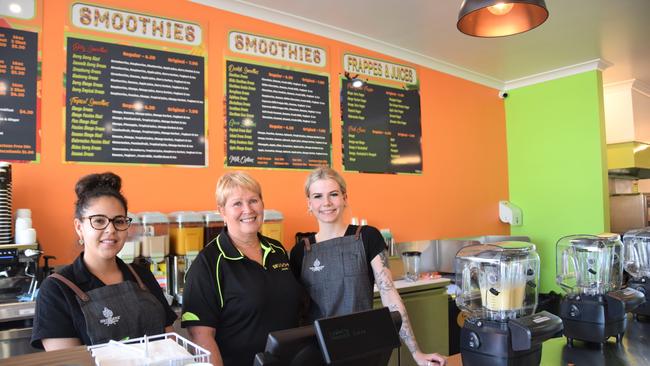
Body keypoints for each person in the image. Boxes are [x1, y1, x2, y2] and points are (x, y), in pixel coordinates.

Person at [290, 167, 447, 366]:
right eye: (318, 196)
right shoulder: (299, 252)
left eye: (334, 194)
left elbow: (390, 295)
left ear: (345, 197)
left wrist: (417, 353)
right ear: (309, 203)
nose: (326, 203)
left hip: (362, 346)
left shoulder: (367, 237)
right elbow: (297, 310)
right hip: (318, 352)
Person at [31, 172, 176, 350]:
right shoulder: (56, 290)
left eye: (119, 221)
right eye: (99, 221)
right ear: (79, 227)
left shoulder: (142, 275)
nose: (111, 230)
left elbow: (170, 344)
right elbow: (68, 362)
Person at [181, 171, 303, 366]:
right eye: (237, 203)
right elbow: (200, 336)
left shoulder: (277, 249)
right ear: (222, 211)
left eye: (253, 200)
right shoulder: (208, 263)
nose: (248, 209)